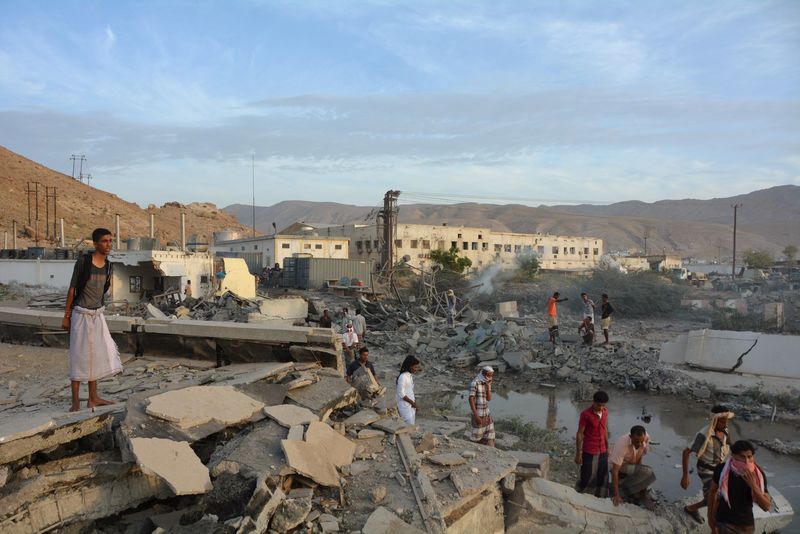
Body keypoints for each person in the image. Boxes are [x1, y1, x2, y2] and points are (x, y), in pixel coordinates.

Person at [61, 228, 123, 412]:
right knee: (78, 356)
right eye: (105, 241)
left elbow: (102, 291)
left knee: (95, 355)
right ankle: (75, 402)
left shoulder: (109, 266)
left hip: (97, 316)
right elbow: (72, 289)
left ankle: (93, 398)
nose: (109, 244)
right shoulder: (83, 262)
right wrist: (66, 316)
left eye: (110, 241)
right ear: (95, 243)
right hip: (80, 315)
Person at [682, 405, 735, 524]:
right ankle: (714, 522)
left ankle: (692, 508)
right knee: (714, 496)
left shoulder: (725, 431)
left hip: (720, 468)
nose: (725, 423)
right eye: (722, 420)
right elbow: (686, 452)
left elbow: (732, 448)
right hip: (706, 469)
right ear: (714, 420)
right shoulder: (703, 434)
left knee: (723, 495)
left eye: (726, 420)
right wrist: (685, 476)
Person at [707, 440, 770, 534]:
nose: (746, 461)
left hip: (746, 525)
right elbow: (712, 492)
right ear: (733, 455)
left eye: (749, 457)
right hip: (724, 522)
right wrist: (710, 517)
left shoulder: (758, 475)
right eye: (742, 457)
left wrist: (753, 485)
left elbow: (766, 507)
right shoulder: (722, 470)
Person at [610, 425, 656, 509]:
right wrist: (616, 495)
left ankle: (642, 495)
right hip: (617, 464)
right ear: (630, 437)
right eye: (636, 441)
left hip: (631, 462)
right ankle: (619, 491)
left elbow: (640, 455)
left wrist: (641, 483)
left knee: (643, 471)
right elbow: (614, 470)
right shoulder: (621, 444)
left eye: (641, 441)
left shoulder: (645, 438)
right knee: (647, 471)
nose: (639, 444)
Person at [575, 391, 609, 497]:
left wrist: (607, 447)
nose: (601, 408)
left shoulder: (605, 412)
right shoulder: (585, 414)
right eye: (599, 405)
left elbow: (605, 430)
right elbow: (580, 433)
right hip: (589, 449)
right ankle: (579, 495)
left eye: (603, 405)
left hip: (602, 448)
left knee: (602, 475)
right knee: (587, 474)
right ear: (593, 402)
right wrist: (578, 454)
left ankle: (600, 497)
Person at [469, 366, 495, 447]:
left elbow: (489, 398)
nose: (490, 377)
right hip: (479, 415)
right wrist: (476, 416)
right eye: (489, 375)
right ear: (484, 374)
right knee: (476, 439)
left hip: (487, 415)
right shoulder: (475, 383)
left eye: (491, 375)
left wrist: (488, 387)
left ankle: (492, 454)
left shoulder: (487, 383)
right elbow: (470, 399)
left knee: (490, 436)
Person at [396, 356, 420, 424]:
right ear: (410, 366)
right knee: (408, 427)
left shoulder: (409, 376)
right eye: (415, 367)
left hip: (410, 407)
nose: (416, 369)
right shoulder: (403, 377)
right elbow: (401, 393)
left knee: (411, 427)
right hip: (404, 407)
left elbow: (410, 391)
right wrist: (412, 403)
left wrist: (414, 403)